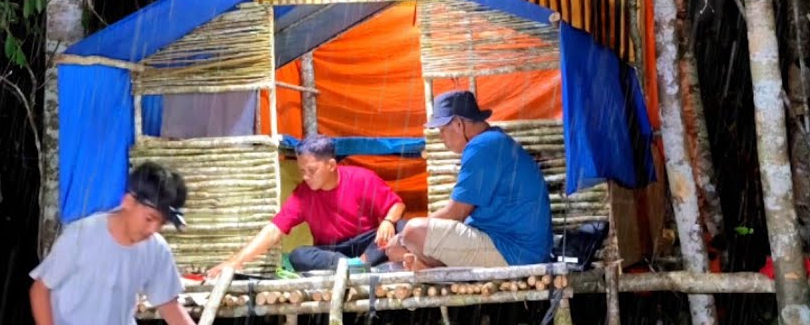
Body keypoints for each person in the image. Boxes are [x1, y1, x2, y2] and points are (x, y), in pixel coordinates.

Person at [387, 90, 552, 271]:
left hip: (514, 252)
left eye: (442, 130)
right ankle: (424, 263)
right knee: (410, 242)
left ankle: (427, 265)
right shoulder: (493, 140)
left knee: (413, 230)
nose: (442, 138)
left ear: (458, 124)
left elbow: (456, 213)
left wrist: (403, 238)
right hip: (518, 248)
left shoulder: (482, 146)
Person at [207, 135, 406, 275]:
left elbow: (397, 205)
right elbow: (273, 230)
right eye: (302, 170)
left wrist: (388, 221)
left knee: (403, 228)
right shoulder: (303, 193)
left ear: (331, 165)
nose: (305, 176)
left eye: (311, 170)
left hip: (367, 243)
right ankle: (353, 266)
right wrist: (235, 262)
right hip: (331, 252)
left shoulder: (362, 178)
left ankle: (362, 263)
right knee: (298, 255)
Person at [30, 162, 196, 325]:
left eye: (161, 223)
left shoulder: (157, 249)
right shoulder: (81, 236)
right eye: (149, 219)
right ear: (128, 202)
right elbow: (40, 290)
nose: (154, 229)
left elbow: (169, 305)